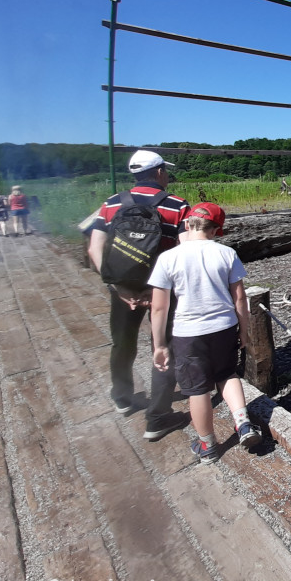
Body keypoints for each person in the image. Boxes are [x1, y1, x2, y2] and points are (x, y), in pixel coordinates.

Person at [85, 150, 191, 441]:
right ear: (158, 172)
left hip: (122, 290)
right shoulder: (177, 206)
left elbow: (95, 249)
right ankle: (157, 417)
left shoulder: (111, 203)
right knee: (165, 346)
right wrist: (156, 290)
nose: (167, 176)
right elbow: (185, 253)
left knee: (122, 342)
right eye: (165, 171)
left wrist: (118, 287)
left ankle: (122, 396)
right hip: (163, 291)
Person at [147, 202, 261, 463]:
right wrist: (244, 331)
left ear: (187, 224)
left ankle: (207, 445)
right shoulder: (226, 253)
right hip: (223, 326)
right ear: (216, 230)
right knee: (226, 374)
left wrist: (160, 344)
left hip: (188, 333)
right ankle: (243, 423)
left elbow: (158, 308)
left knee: (197, 389)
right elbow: (240, 298)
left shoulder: (168, 257)